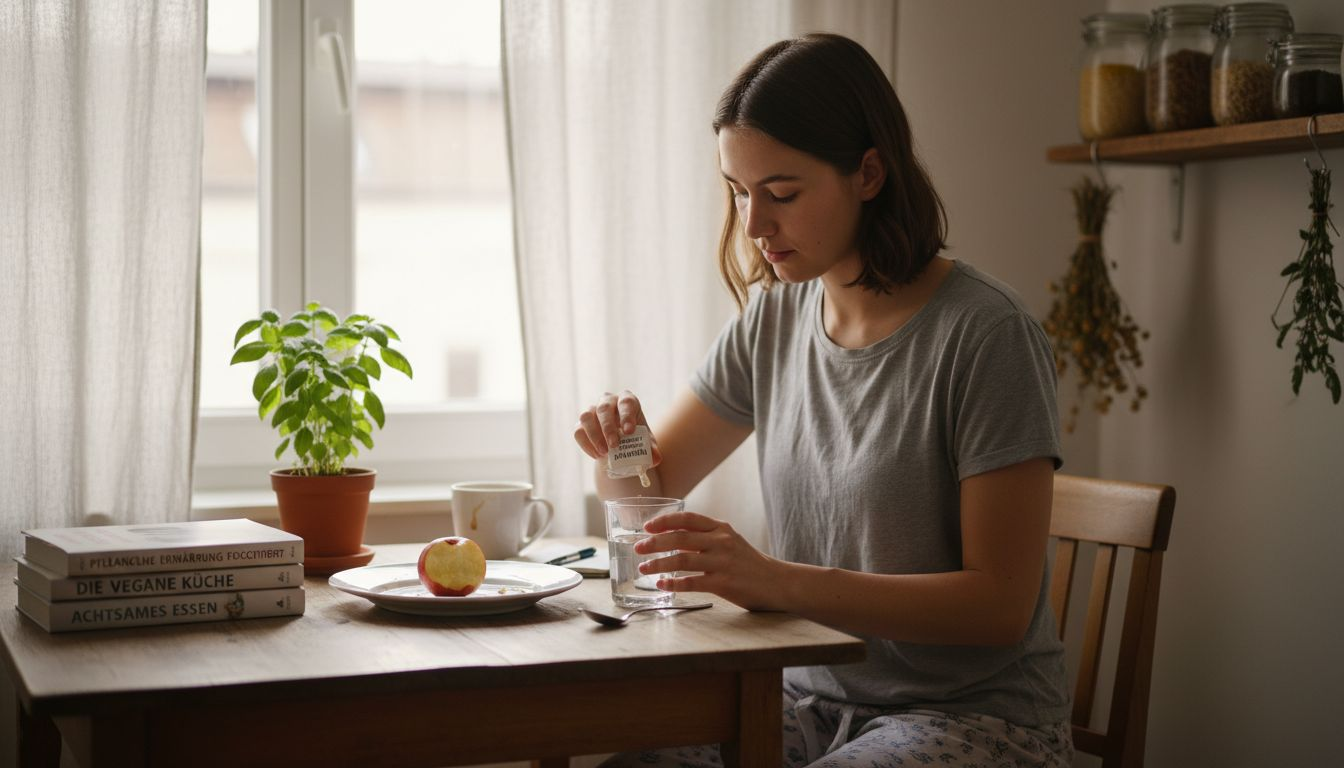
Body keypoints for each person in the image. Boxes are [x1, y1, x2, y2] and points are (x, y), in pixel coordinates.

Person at [573, 33, 1072, 768]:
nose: (753, 225)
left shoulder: (987, 335)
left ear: (868, 173)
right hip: (805, 700)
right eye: (738, 191)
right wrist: (619, 444)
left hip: (974, 717)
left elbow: (998, 608)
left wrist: (776, 582)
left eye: (781, 193)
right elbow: (649, 490)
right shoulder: (775, 319)